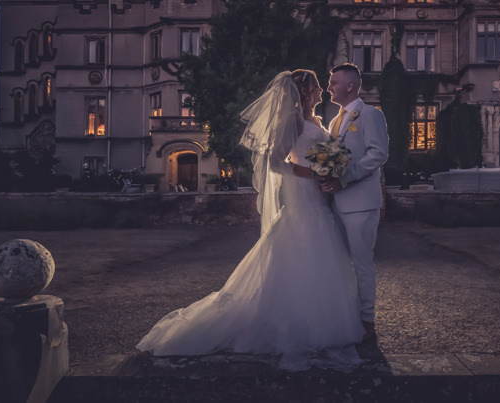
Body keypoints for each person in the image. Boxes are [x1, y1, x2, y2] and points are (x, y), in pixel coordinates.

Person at [136, 70, 363, 370]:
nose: (322, 92)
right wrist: (310, 173)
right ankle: (293, 327)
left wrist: (332, 169)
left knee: (321, 254)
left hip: (319, 199)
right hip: (300, 196)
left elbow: (323, 156)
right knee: (302, 252)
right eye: (318, 87)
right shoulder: (292, 121)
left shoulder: (317, 122)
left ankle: (320, 320)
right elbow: (274, 161)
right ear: (305, 92)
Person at [321, 63, 389, 344]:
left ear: (350, 86)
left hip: (361, 203)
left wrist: (344, 180)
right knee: (342, 265)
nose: (329, 87)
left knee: (362, 264)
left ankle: (366, 320)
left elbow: (378, 155)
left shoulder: (371, 115)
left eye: (334, 82)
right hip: (337, 202)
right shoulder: (335, 121)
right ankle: (347, 316)